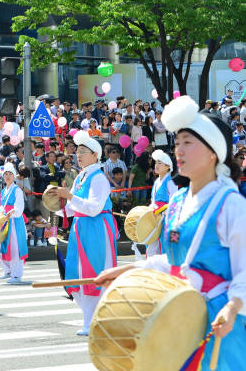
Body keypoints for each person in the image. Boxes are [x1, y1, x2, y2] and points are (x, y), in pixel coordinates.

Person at [95, 96, 245, 370]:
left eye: (188, 143)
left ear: (214, 152)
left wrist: (233, 308)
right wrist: (130, 270)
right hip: (179, 315)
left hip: (220, 323)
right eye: (177, 143)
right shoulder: (178, 202)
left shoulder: (231, 205)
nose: (179, 150)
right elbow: (176, 263)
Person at [48, 130, 118, 336]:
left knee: (95, 273)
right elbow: (73, 207)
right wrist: (55, 206)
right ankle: (91, 319)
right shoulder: (81, 176)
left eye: (83, 151)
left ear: (96, 155)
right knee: (77, 274)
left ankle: (96, 320)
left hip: (96, 228)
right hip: (81, 227)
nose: (78, 155)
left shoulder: (99, 178)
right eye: (77, 151)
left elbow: (93, 208)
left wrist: (68, 196)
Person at [0, 162, 28, 283]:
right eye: (6, 174)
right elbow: (2, 207)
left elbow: (19, 207)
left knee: (15, 248)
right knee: (2, 246)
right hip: (5, 221)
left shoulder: (17, 190)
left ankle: (17, 275)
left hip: (15, 222)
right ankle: (8, 270)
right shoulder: (4, 190)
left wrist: (12, 212)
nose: (8, 176)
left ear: (14, 176)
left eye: (10, 174)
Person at [146, 149, 178, 257]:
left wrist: (165, 213)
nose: (156, 165)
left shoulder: (171, 182)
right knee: (152, 247)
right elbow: (153, 201)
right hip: (156, 219)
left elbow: (175, 202)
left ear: (168, 166)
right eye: (156, 163)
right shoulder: (156, 182)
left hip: (167, 219)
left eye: (160, 163)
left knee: (166, 248)